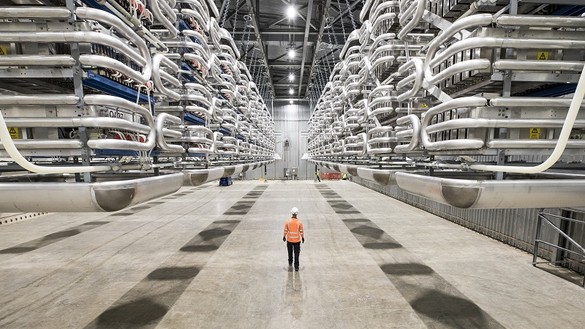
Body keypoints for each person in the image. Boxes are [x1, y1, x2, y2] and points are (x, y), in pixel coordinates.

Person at [283, 207, 304, 271]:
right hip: (297, 241)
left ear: (291, 213)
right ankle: (296, 266)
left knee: (290, 252)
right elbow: (301, 231)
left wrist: (284, 236)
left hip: (289, 240)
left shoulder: (287, 222)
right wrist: (303, 237)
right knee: (296, 254)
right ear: (297, 214)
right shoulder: (299, 222)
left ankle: (290, 262)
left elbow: (285, 230)